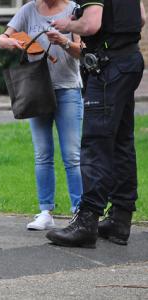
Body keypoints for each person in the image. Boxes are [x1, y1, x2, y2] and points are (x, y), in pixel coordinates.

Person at [46, 0, 146, 248]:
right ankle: (120, 221)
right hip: (130, 60)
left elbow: (91, 25)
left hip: (108, 66)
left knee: (96, 143)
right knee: (122, 143)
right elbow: (141, 18)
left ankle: (87, 222)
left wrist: (67, 24)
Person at [0, 0, 84, 230]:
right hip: (37, 90)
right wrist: (12, 42)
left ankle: (80, 211)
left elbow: (81, 51)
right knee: (43, 154)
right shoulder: (28, 10)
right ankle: (45, 211)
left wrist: (64, 42)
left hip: (67, 90)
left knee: (72, 156)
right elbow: (1, 39)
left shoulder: (73, 9)